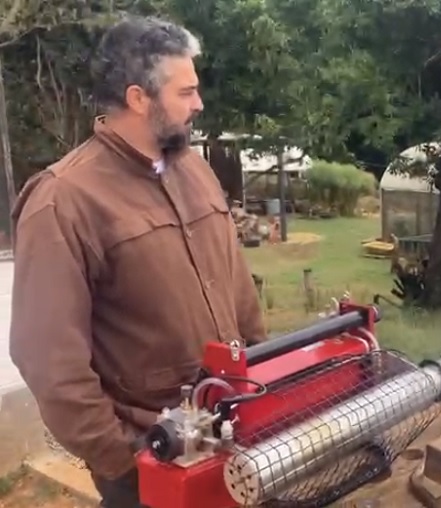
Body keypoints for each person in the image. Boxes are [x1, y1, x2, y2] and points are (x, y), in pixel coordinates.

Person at [8, 15, 266, 508]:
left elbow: (239, 292)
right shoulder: (64, 200)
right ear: (137, 98)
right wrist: (123, 458)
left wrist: (263, 380)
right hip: (152, 463)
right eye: (186, 92)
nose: (199, 104)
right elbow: (48, 359)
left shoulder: (196, 170)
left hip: (235, 432)